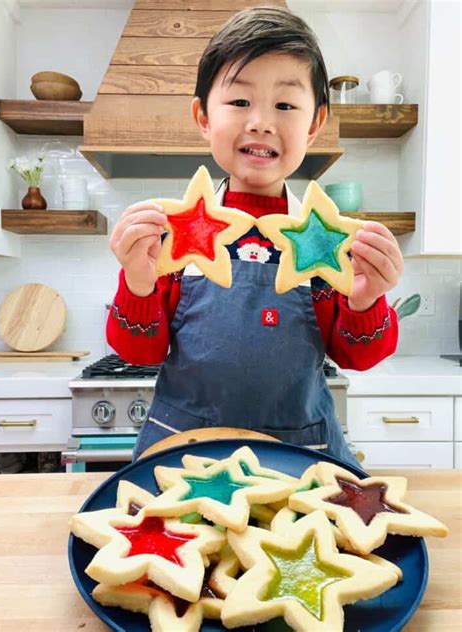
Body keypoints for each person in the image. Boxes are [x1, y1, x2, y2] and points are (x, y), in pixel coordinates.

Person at [107, 7, 403, 467]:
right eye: (240, 102)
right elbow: (139, 351)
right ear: (203, 116)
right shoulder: (171, 234)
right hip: (185, 459)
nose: (261, 121)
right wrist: (137, 280)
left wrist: (367, 299)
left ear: (314, 123)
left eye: (285, 105)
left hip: (297, 463)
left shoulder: (321, 243)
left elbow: (356, 357)